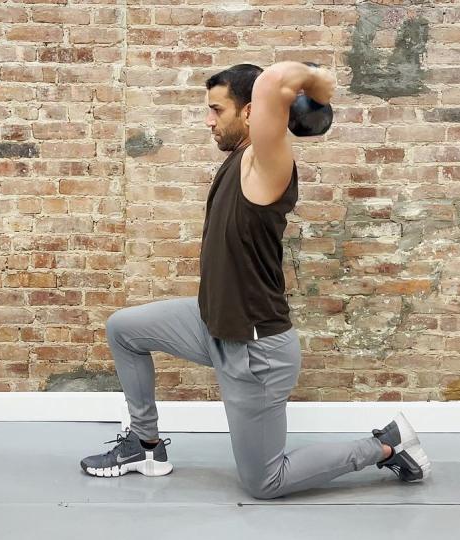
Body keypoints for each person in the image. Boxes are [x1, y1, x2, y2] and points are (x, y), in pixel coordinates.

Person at [80, 62, 431, 499]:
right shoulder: (237, 161)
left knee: (265, 482)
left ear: (251, 114)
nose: (208, 120)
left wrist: (318, 86)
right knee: (124, 329)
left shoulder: (265, 164)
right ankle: (145, 447)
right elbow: (271, 88)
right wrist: (316, 98)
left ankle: (386, 445)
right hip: (212, 323)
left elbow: (271, 81)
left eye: (216, 110)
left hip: (256, 351)